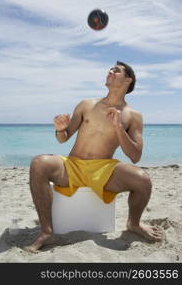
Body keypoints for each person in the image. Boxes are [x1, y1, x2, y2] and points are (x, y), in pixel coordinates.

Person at [27, 61, 162, 252]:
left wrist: (118, 127)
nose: (110, 71)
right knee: (39, 163)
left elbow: (135, 156)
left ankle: (134, 224)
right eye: (110, 69)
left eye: (116, 71)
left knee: (142, 180)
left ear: (128, 80)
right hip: (72, 165)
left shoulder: (133, 116)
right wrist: (59, 130)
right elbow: (63, 139)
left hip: (103, 169)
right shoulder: (86, 104)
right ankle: (47, 231)